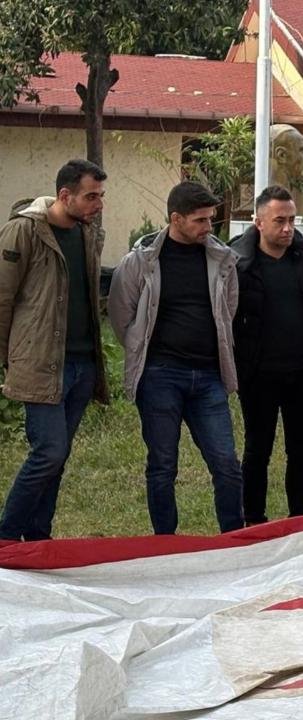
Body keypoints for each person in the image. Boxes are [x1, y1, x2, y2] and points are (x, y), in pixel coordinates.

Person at [108, 181, 243, 535]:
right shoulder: (141, 261)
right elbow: (122, 316)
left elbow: (227, 310)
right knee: (163, 465)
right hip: (160, 376)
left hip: (209, 377)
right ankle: (165, 542)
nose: (208, 228)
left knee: (226, 463)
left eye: (211, 220)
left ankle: (234, 537)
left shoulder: (221, 259)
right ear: (176, 219)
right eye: (200, 220)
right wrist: (144, 352)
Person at [0, 160, 109, 541]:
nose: (98, 204)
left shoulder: (88, 233)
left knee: (57, 461)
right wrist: (6, 360)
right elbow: (2, 298)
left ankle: (39, 537)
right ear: (65, 196)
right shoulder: (23, 232)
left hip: (82, 364)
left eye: (101, 195)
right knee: (48, 451)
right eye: (91, 196)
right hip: (41, 363)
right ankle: (8, 536)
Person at [229, 185, 303, 524]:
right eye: (279, 221)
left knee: (302, 451)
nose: (287, 229)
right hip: (258, 374)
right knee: (258, 450)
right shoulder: (238, 262)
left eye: (292, 220)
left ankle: (300, 516)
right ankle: (254, 519)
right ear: (258, 222)